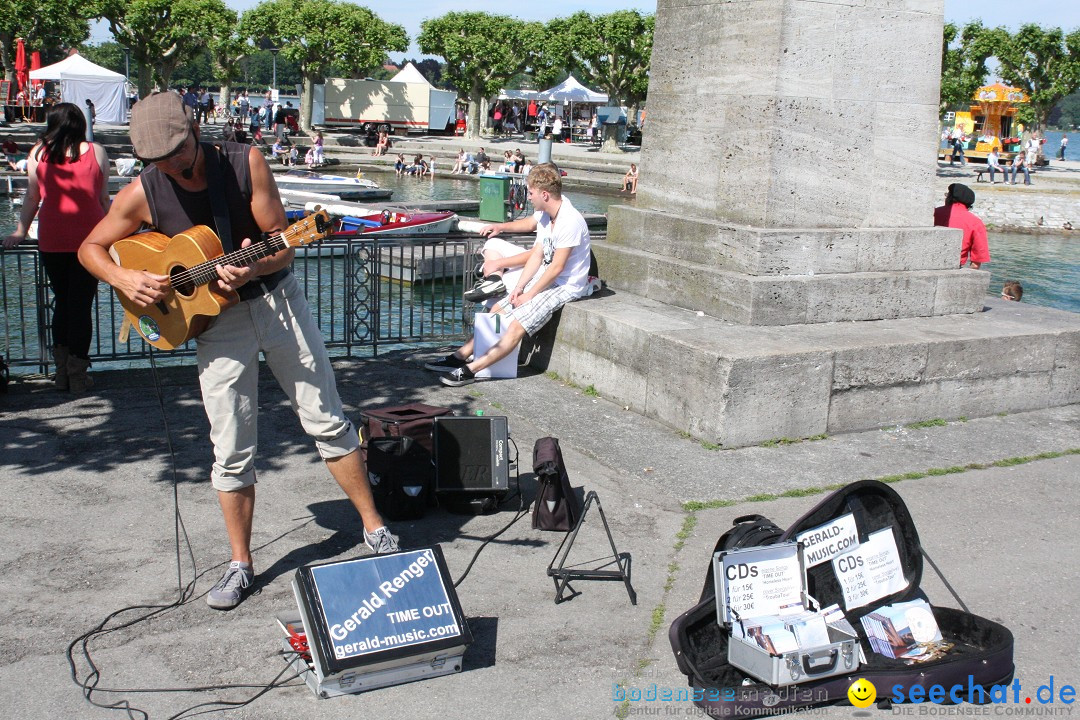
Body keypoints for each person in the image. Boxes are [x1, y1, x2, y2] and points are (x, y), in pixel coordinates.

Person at [76, 91, 399, 610]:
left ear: (195, 135)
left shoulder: (244, 163)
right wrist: (125, 278)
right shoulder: (144, 191)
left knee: (326, 418)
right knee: (230, 446)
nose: (170, 168)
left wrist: (254, 266)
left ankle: (374, 526)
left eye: (176, 156)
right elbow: (89, 247)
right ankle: (240, 564)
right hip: (216, 326)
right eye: (157, 161)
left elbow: (284, 240)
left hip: (276, 304)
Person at [425, 163, 593, 387]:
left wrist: (530, 294)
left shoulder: (569, 221)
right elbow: (537, 256)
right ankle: (461, 356)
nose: (528, 198)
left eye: (530, 192)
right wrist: (518, 288)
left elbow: (557, 268)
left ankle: (470, 370)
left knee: (515, 325)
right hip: (549, 277)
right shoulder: (546, 216)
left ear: (544, 194)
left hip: (565, 285)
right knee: (497, 309)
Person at [3, 103, 110, 393]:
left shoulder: (38, 153)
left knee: (62, 302)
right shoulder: (96, 151)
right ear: (79, 124)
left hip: (53, 237)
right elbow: (103, 201)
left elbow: (31, 198)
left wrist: (20, 231)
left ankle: (61, 372)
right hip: (91, 238)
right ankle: (78, 374)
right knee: (81, 305)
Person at [933, 183, 989, 269]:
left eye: (947, 195)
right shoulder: (976, 222)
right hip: (953, 268)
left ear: (950, 198)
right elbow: (976, 263)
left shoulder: (933, 213)